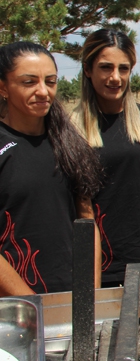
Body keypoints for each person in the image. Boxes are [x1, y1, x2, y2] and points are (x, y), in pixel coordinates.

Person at [72, 29, 140, 287]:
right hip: (98, 259)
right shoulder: (69, 129)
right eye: (106, 67)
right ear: (87, 69)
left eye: (123, 68)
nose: (115, 77)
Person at [0, 41, 103, 294]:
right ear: (3, 87)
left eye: (50, 81)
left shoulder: (68, 143)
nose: (43, 91)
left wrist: (89, 295)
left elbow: (87, 222)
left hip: (72, 298)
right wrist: (31, 304)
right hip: (14, 310)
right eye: (29, 82)